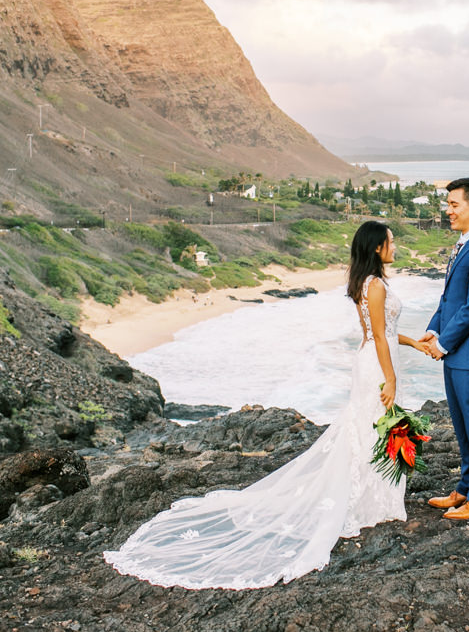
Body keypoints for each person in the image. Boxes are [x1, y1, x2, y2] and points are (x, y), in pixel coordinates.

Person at [104, 220, 431, 589]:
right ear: (376, 248)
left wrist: (414, 343)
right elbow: (377, 339)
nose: (395, 244)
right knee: (372, 429)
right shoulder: (374, 287)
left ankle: (377, 499)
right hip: (376, 365)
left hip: (374, 359)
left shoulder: (370, 284)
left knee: (369, 430)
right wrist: (390, 378)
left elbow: (381, 332)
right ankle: (369, 502)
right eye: (390, 241)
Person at [418, 178, 469, 520]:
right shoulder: (464, 244)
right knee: (462, 424)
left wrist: (443, 342)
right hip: (456, 352)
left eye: (453, 205)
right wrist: (432, 329)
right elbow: (450, 298)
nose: (448, 211)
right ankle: (466, 488)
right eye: (448, 204)